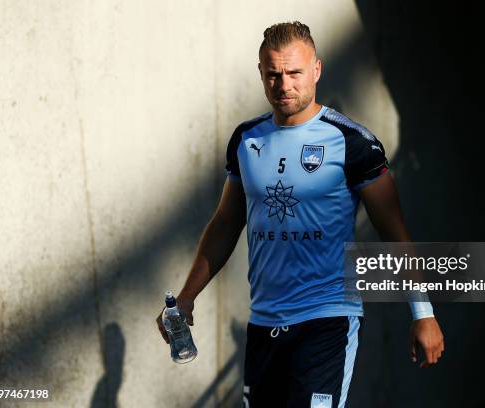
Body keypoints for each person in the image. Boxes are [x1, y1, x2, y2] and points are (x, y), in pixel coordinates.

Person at [157, 21, 444, 407]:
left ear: (316, 70)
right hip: (263, 323)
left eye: (294, 72)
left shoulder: (353, 143)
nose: (283, 84)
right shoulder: (246, 140)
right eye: (273, 74)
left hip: (326, 319)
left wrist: (422, 311)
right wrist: (188, 297)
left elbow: (394, 230)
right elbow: (226, 223)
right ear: (261, 73)